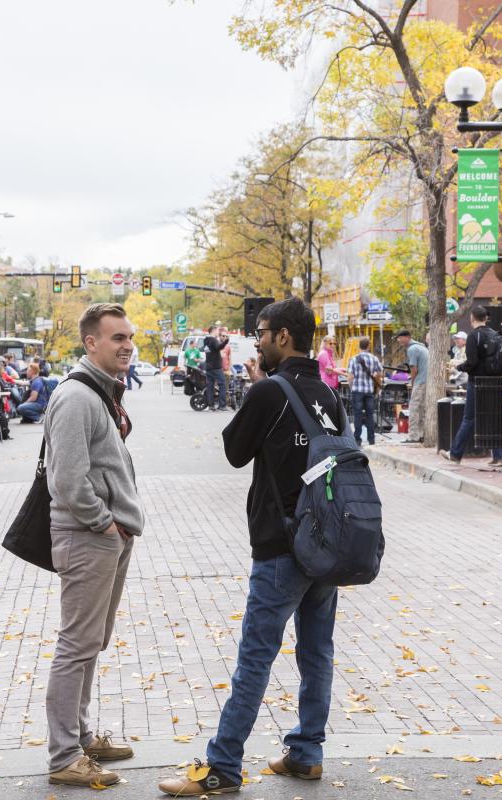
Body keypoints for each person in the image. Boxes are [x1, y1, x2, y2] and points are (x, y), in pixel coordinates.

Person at [157, 297, 339, 796]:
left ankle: (223, 765)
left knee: (255, 657)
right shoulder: (329, 395)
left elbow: (235, 451)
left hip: (280, 546)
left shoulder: (269, 393)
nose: (255, 341)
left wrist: (258, 389)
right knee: (317, 652)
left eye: (260, 332)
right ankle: (306, 753)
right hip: (325, 544)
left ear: (283, 337)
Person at [45, 302, 144, 788]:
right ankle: (64, 755)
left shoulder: (100, 393)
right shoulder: (77, 397)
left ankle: (82, 736)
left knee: (91, 642)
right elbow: (67, 479)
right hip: (88, 538)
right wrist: (105, 525)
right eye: (116, 338)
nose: (127, 345)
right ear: (91, 343)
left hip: (107, 538)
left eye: (129, 337)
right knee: (75, 644)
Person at [441, 306, 502, 467]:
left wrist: (459, 367)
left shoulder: (473, 336)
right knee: (495, 417)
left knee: (469, 418)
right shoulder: (495, 335)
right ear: (486, 318)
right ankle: (498, 457)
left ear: (472, 319)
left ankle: (455, 453)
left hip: (476, 381)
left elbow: (472, 362)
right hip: (495, 382)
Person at [348, 336, 383, 447]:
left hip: (357, 390)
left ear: (359, 346)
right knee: (370, 415)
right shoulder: (374, 359)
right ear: (368, 346)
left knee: (357, 415)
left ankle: (357, 439)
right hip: (369, 390)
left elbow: (350, 376)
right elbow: (381, 373)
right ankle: (371, 439)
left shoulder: (354, 359)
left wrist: (351, 387)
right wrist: (374, 375)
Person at [396, 329, 429, 443]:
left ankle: (413, 436)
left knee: (414, 408)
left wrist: (413, 382)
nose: (399, 340)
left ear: (408, 337)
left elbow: (413, 368)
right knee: (422, 409)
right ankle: (422, 434)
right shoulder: (421, 347)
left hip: (420, 381)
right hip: (427, 381)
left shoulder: (412, 349)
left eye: (400, 337)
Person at [203, 326, 229, 411]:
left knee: (210, 386)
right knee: (222, 385)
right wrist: (225, 342)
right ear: (214, 331)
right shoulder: (214, 340)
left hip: (208, 367)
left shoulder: (205, 340)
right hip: (216, 367)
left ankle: (211, 405)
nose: (219, 332)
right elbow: (218, 347)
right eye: (218, 330)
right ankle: (222, 405)